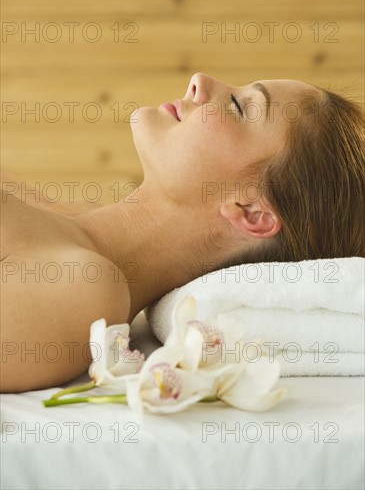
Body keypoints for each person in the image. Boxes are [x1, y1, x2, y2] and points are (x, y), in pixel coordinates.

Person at [1, 73, 364, 392]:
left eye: (238, 106)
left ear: (251, 212)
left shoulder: (82, 289)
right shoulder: (49, 214)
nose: (199, 81)